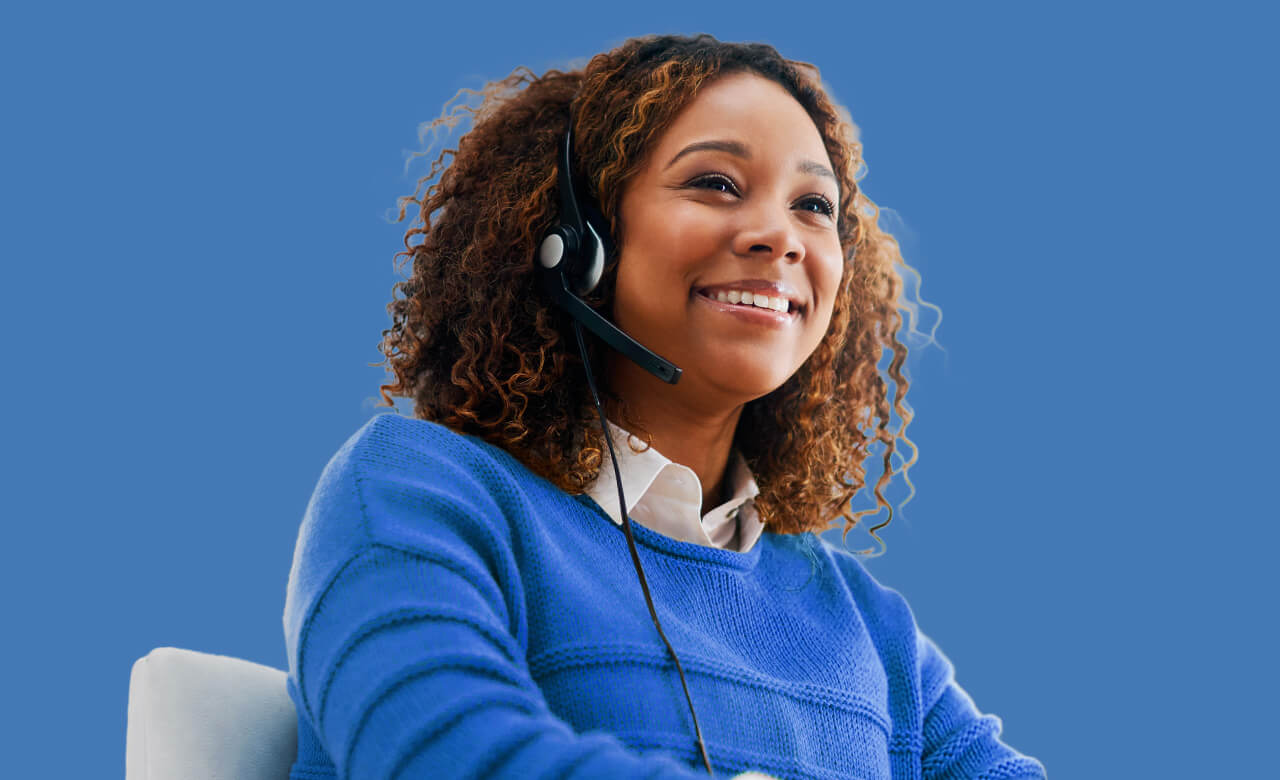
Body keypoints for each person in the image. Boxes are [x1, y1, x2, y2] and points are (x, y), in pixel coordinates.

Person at [282, 34, 1047, 779]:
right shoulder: (416, 492)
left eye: (814, 204)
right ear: (576, 241)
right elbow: (441, 753)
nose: (779, 236)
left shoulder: (869, 625)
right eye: (716, 183)